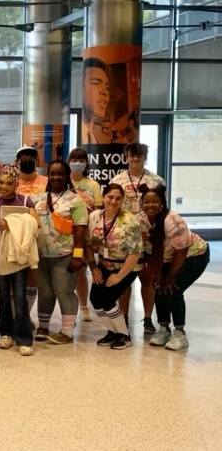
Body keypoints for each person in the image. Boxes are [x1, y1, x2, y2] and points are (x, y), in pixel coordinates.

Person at [140, 186, 209, 351]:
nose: (151, 205)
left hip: (193, 255)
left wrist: (171, 275)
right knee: (158, 287)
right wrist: (157, 273)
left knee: (173, 288)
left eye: (155, 201)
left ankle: (180, 333)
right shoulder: (140, 220)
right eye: (147, 201)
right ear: (141, 203)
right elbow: (147, 249)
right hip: (166, 257)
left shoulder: (172, 221)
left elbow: (182, 250)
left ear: (162, 203)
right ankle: (164, 328)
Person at [110, 142, 165, 332]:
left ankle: (148, 319)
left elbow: (162, 209)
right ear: (126, 156)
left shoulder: (156, 181)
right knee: (124, 279)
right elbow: (112, 207)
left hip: (148, 236)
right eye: (131, 155)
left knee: (147, 279)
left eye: (139, 156)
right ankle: (123, 317)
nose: (135, 159)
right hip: (124, 238)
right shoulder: (117, 180)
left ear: (144, 157)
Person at [33, 160, 88, 344]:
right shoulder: (38, 199)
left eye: (60, 174)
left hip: (65, 256)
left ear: (67, 176)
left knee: (64, 292)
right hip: (40, 256)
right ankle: (43, 326)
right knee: (45, 292)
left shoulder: (75, 200)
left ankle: (67, 331)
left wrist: (77, 257)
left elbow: (80, 230)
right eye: (53, 173)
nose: (56, 177)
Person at [0, 166, 40, 356]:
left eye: (9, 183)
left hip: (19, 256)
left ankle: (24, 338)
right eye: (1, 182)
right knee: (2, 296)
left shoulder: (26, 201)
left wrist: (12, 222)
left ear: (16, 184)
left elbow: (36, 223)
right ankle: (6, 333)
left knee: (19, 296)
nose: (4, 186)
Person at [84, 184, 143, 350]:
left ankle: (124, 336)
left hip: (127, 266)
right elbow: (88, 243)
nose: (114, 201)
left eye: (118, 198)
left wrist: (119, 276)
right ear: (103, 197)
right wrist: (93, 267)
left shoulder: (130, 221)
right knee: (95, 300)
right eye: (110, 197)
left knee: (108, 299)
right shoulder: (95, 216)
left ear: (123, 200)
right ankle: (112, 331)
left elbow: (135, 253)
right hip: (103, 263)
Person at [68, 147, 103, 323]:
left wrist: (96, 239)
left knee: (81, 271)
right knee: (66, 273)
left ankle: (83, 307)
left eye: (81, 160)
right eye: (74, 159)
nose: (78, 163)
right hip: (65, 235)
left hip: (85, 236)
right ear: (69, 162)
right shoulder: (62, 181)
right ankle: (69, 310)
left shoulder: (93, 185)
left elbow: (98, 213)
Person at [15, 145, 48, 314]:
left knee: (32, 278)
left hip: (39, 237)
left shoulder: (46, 181)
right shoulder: (10, 182)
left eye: (31, 157)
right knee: (14, 277)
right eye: (23, 158)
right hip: (14, 237)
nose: (27, 160)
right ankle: (14, 315)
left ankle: (25, 315)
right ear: (17, 162)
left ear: (37, 161)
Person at [81, 57, 111, 144]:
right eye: (95, 83)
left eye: (107, 87)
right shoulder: (71, 133)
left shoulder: (105, 139)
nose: (105, 92)